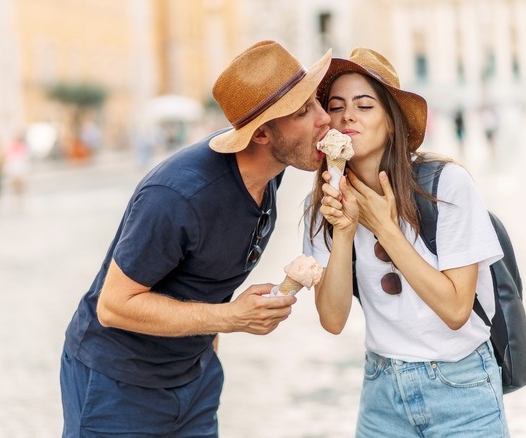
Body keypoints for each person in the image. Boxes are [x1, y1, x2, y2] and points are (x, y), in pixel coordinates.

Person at [60, 40, 333, 437]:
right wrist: (230, 318)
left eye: (317, 102)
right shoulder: (177, 197)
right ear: (261, 136)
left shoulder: (274, 164)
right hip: (116, 385)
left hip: (196, 379)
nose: (324, 118)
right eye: (305, 110)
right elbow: (114, 306)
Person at [304, 48, 510, 436]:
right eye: (336, 106)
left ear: (392, 123)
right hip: (382, 394)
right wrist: (346, 231)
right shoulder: (324, 206)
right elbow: (332, 320)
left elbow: (455, 310)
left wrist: (386, 228)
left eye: (365, 106)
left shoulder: (445, 185)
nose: (347, 116)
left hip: (462, 388)